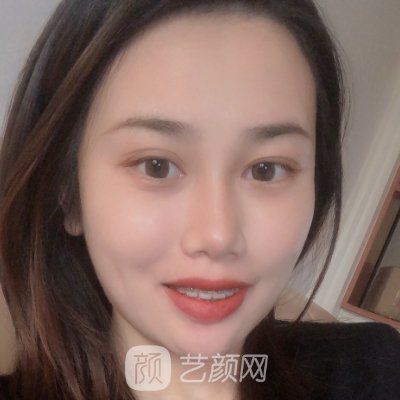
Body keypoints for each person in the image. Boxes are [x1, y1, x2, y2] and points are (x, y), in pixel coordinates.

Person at [0, 1, 399, 399]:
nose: (218, 236)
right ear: (69, 195)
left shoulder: (377, 369)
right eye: (156, 166)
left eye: (266, 169)